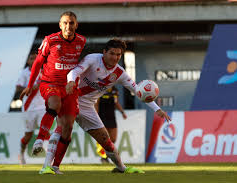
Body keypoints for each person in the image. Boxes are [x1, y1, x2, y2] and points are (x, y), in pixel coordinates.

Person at [40, 38, 171, 174]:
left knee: (105, 139)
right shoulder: (92, 59)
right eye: (112, 53)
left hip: (87, 107)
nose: (115, 57)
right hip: (72, 98)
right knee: (62, 128)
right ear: (104, 52)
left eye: (118, 55)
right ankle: (47, 167)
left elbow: (138, 91)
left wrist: (158, 109)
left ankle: (122, 168)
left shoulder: (120, 73)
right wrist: (71, 81)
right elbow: (73, 72)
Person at [19, 11, 86, 172]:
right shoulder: (50, 40)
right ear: (60, 25)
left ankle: (55, 166)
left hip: (69, 87)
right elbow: (37, 63)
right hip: (49, 83)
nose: (68, 26)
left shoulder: (81, 41)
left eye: (71, 23)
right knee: (54, 104)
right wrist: (29, 85)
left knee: (67, 128)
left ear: (76, 25)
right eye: (65, 23)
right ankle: (39, 141)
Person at [16, 53, 47, 165]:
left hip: (43, 106)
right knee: (28, 134)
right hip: (28, 107)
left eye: (36, 58)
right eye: (31, 58)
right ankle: (21, 153)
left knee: (46, 130)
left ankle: (49, 158)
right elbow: (18, 87)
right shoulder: (24, 73)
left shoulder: (44, 72)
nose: (34, 60)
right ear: (28, 61)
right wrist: (29, 88)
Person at [95, 86, 127, 163]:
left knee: (113, 138)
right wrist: (96, 116)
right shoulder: (100, 89)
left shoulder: (115, 90)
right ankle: (104, 157)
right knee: (104, 138)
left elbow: (116, 103)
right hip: (102, 117)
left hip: (111, 117)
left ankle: (106, 154)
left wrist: (122, 112)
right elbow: (96, 103)